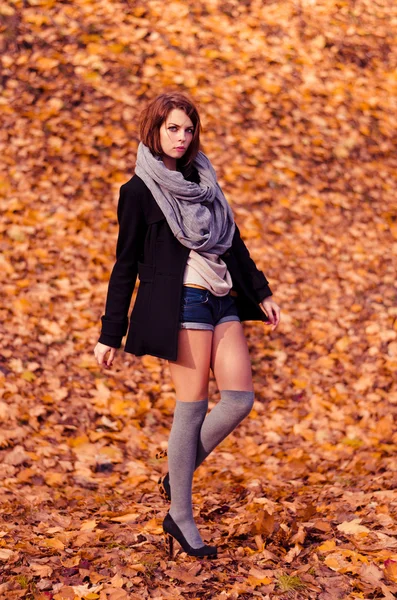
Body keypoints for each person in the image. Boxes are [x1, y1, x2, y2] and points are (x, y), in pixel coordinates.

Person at [94, 92, 280, 559]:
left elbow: (232, 243)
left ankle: (175, 479)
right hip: (182, 303)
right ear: (155, 131)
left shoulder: (205, 180)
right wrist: (109, 333)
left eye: (188, 129)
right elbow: (125, 265)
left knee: (239, 400)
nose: (182, 137)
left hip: (222, 298)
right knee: (192, 407)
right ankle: (181, 514)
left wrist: (261, 291)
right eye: (173, 128)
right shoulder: (137, 192)